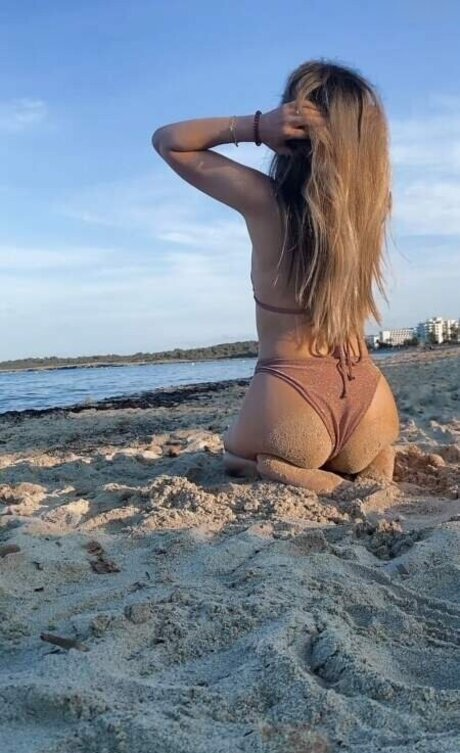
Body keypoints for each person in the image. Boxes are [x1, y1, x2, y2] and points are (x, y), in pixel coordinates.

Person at [152, 59, 400, 493]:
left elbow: (170, 142)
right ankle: (375, 460)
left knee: (235, 455)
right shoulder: (373, 208)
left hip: (293, 393)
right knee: (369, 447)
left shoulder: (266, 202)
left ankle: (298, 473)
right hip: (370, 398)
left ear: (290, 129)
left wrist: (254, 126)